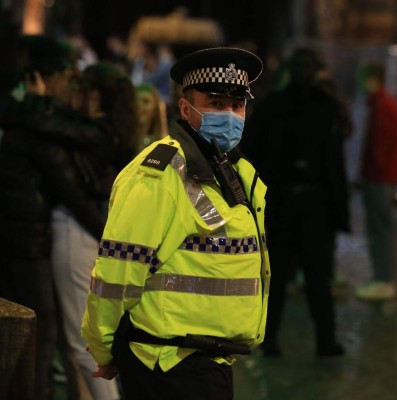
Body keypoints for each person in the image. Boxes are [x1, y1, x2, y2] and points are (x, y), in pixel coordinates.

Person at [81, 47, 270, 400]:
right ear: (186, 108)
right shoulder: (157, 175)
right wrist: (105, 347)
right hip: (168, 364)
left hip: (208, 361)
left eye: (237, 106)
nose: (229, 115)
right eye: (215, 104)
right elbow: (117, 271)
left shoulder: (234, 171)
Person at [23, 62, 137, 399]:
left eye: (77, 87)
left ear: (92, 95)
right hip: (91, 231)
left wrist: (36, 101)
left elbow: (45, 132)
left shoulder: (91, 132)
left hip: (78, 232)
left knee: (81, 338)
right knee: (85, 336)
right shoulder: (112, 130)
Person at [242, 47, 349, 357]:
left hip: (299, 203)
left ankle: (310, 338)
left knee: (308, 276)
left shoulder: (311, 107)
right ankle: (280, 337)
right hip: (289, 202)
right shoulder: (288, 107)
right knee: (294, 275)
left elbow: (334, 161)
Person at [0, 34, 77, 400]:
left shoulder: (23, 110)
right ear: (51, 76)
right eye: (69, 75)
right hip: (27, 240)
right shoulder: (33, 117)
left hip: (21, 237)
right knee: (38, 330)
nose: (72, 85)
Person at [354, 62, 397, 301]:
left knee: (379, 230)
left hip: (378, 178)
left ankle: (383, 279)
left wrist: (368, 174)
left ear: (372, 79)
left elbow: (379, 149)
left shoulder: (382, 106)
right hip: (382, 177)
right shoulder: (385, 104)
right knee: (380, 229)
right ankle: (382, 278)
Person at [135, 82, 168, 152]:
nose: (139, 105)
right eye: (135, 101)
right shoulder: (123, 143)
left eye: (145, 101)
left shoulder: (163, 145)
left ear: (155, 110)